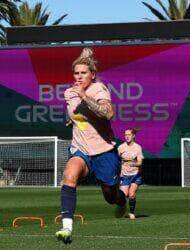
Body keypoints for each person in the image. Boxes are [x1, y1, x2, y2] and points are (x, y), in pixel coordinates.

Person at [56, 48, 126, 244]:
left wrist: (85, 97)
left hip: (104, 151)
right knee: (69, 174)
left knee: (110, 195)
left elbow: (108, 114)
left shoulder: (98, 89)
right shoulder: (69, 93)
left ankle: (122, 199)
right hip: (81, 149)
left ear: (92, 75)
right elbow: (76, 116)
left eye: (83, 73)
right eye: (76, 73)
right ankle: (67, 228)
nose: (79, 77)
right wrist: (73, 122)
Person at [118, 128, 144, 220]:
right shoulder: (121, 147)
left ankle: (132, 213)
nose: (127, 136)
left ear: (133, 136)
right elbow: (117, 160)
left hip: (135, 175)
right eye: (125, 135)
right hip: (124, 175)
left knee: (131, 194)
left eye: (128, 134)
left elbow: (140, 163)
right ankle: (121, 207)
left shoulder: (138, 147)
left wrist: (132, 163)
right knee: (122, 195)